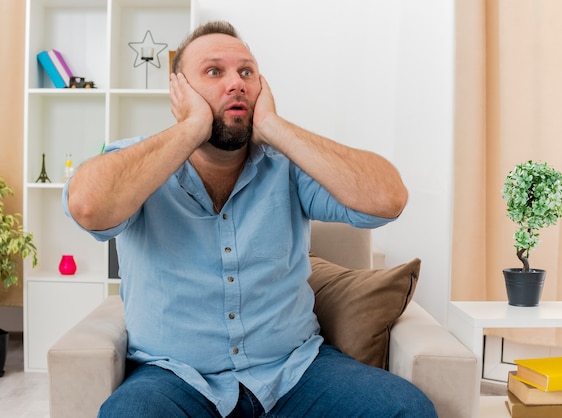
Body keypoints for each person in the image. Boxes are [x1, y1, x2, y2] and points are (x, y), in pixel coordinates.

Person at [64, 20, 436, 418]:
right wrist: (191, 128)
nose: (236, 83)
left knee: (407, 409)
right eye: (213, 72)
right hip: (173, 378)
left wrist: (274, 127)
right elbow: (89, 208)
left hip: (295, 371)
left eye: (246, 72)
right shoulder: (136, 163)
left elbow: (388, 199)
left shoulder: (288, 165)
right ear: (179, 90)